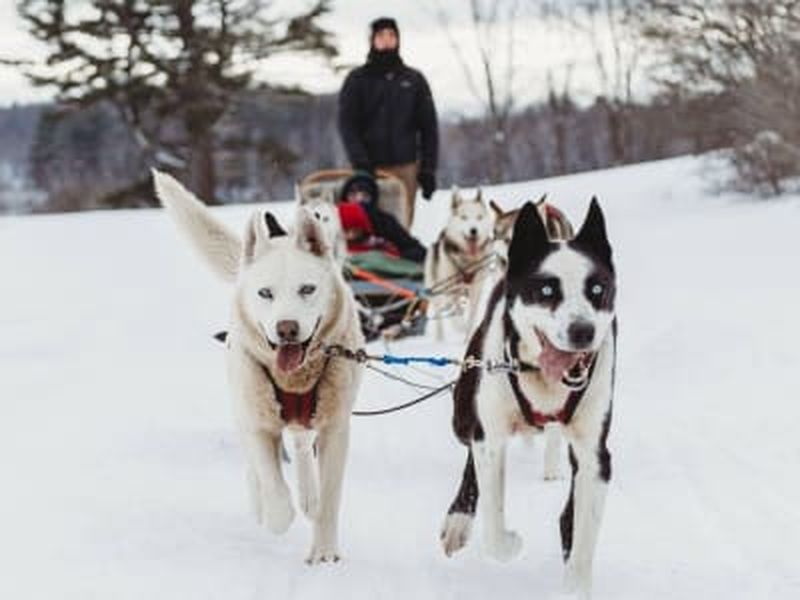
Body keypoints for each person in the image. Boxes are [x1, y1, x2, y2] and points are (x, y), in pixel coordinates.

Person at [337, 17, 439, 228]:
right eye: (381, 35)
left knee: (401, 228)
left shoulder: (414, 79)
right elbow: (346, 125)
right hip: (368, 170)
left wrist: (428, 169)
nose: (387, 40)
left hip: (405, 169)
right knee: (367, 226)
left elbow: (429, 127)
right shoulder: (357, 80)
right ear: (372, 40)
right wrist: (360, 162)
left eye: (391, 35)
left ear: (398, 39)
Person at [336, 171, 426, 263]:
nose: (359, 199)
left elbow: (414, 248)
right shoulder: (334, 219)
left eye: (365, 195)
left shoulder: (385, 222)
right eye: (353, 195)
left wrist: (392, 256)